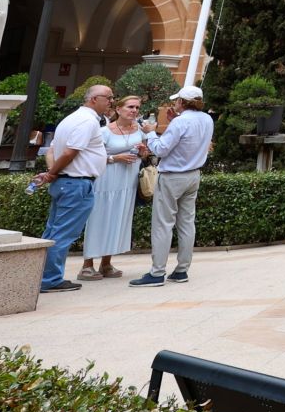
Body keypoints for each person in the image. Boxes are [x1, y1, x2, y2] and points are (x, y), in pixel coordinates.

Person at [131, 86, 214, 288]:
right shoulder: (206, 119)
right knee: (186, 222)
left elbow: (160, 149)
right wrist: (171, 123)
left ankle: (157, 272)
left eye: (177, 100)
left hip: (173, 176)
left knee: (163, 224)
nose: (175, 103)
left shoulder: (180, 122)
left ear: (182, 103)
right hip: (193, 175)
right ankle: (181, 270)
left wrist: (151, 132)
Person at [35, 83, 113, 293]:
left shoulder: (72, 118)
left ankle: (42, 276)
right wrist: (52, 173)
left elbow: (57, 151)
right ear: (94, 99)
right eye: (108, 97)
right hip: (76, 183)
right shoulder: (87, 121)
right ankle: (50, 280)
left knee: (53, 231)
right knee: (63, 233)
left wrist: (53, 172)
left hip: (68, 182)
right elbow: (70, 152)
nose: (111, 102)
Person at [79, 94, 147, 280]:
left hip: (127, 182)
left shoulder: (139, 130)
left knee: (117, 219)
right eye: (130, 107)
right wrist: (115, 158)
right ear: (118, 109)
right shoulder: (104, 131)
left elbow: (143, 155)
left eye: (137, 108)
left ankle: (106, 262)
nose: (134, 111)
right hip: (106, 181)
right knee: (98, 219)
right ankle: (87, 264)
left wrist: (142, 152)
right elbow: (91, 155)